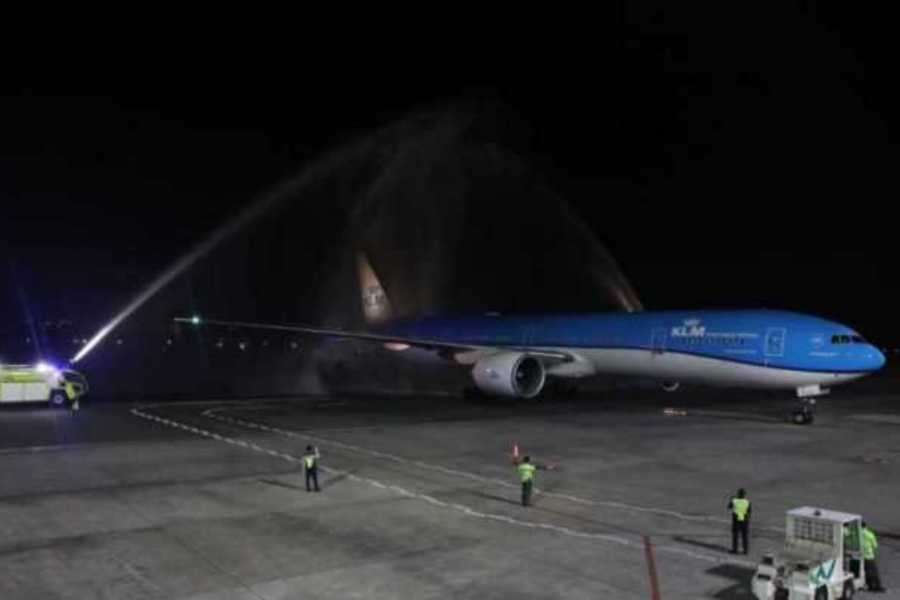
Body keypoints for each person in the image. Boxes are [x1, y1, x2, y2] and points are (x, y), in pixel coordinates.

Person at [862, 521, 886, 592]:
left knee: (866, 571)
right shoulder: (870, 535)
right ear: (865, 526)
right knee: (874, 572)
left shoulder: (856, 533)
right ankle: (877, 587)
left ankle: (869, 586)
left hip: (860, 556)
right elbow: (875, 546)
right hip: (869, 556)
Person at [727, 488, 751, 554]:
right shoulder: (747, 501)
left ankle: (735, 550)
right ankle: (745, 550)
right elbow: (749, 511)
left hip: (736, 520)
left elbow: (729, 507)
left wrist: (731, 499)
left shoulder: (735, 501)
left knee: (736, 535)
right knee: (745, 536)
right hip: (744, 520)